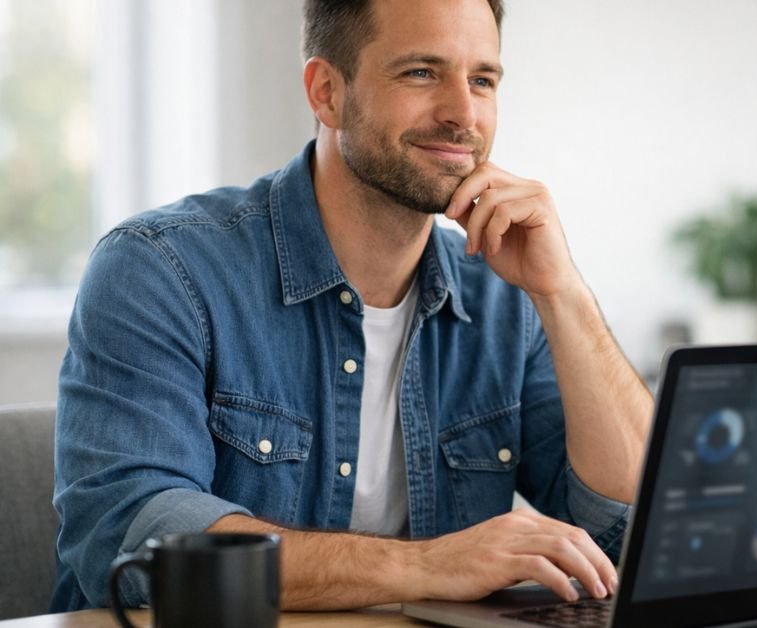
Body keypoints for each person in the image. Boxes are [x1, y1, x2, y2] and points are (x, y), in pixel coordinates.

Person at [51, 0, 652, 612]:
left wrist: (563, 294)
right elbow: (133, 539)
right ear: (327, 93)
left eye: (482, 80)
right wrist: (427, 566)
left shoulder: (505, 298)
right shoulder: (161, 269)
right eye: (421, 72)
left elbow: (630, 527)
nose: (462, 115)